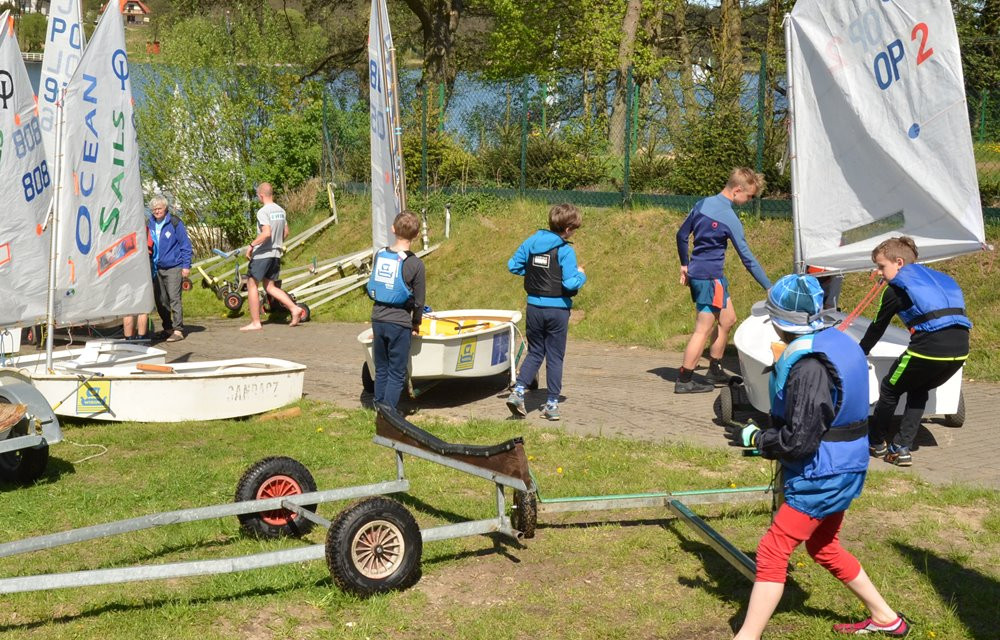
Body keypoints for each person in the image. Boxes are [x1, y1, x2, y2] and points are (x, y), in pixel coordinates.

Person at [725, 274, 909, 639]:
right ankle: (887, 618)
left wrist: (757, 437)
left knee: (773, 549)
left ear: (776, 322)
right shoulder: (838, 342)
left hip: (823, 473)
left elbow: (798, 443)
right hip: (848, 466)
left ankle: (746, 636)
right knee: (823, 546)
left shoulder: (809, 367)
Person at [859, 236, 971, 467]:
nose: (879, 272)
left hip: (929, 349)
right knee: (919, 390)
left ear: (899, 263)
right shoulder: (938, 279)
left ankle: (876, 442)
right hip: (961, 351)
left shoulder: (895, 290)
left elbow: (878, 326)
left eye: (881, 266)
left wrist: (860, 352)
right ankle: (901, 449)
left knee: (890, 389)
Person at [675, 167, 771, 393]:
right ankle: (684, 379)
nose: (749, 200)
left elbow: (681, 235)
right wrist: (769, 286)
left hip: (708, 275)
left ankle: (714, 368)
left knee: (728, 319)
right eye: (749, 196)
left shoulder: (702, 204)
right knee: (703, 329)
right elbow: (747, 258)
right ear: (738, 190)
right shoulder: (729, 217)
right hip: (709, 278)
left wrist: (685, 264)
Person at [505, 203, 587, 421]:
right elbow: (570, 284)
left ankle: (519, 391)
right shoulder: (565, 251)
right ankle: (551, 405)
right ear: (568, 230)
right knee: (555, 357)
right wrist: (582, 275)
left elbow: (513, 265)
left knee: (535, 352)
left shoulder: (531, 242)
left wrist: (531, 272)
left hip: (534, 307)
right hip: (557, 310)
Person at [366, 210, 426, 409]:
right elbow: (419, 301)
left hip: (378, 318)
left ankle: (378, 405)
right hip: (399, 322)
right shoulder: (415, 264)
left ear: (392, 229)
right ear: (416, 235)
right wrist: (416, 322)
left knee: (381, 367)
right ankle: (388, 413)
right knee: (396, 371)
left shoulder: (380, 254)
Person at [240, 183, 305, 332]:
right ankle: (294, 309)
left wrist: (251, 245)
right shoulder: (281, 211)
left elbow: (266, 233)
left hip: (263, 254)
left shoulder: (263, 211)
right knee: (269, 286)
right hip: (276, 253)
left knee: (251, 284)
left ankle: (256, 322)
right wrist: (276, 243)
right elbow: (286, 232)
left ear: (261, 195)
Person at [148, 195, 192, 342]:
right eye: (154, 209)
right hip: (156, 267)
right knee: (160, 301)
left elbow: (185, 245)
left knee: (174, 298)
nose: (157, 211)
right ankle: (168, 328)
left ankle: (178, 330)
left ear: (165, 208)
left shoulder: (174, 222)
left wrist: (186, 266)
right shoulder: (150, 223)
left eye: (159, 208)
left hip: (174, 266)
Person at [122, 226, 155, 342]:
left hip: (127, 265)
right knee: (141, 304)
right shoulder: (142, 225)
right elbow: (150, 247)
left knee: (128, 305)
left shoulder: (122, 226)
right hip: (141, 263)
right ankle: (140, 339)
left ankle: (129, 339)